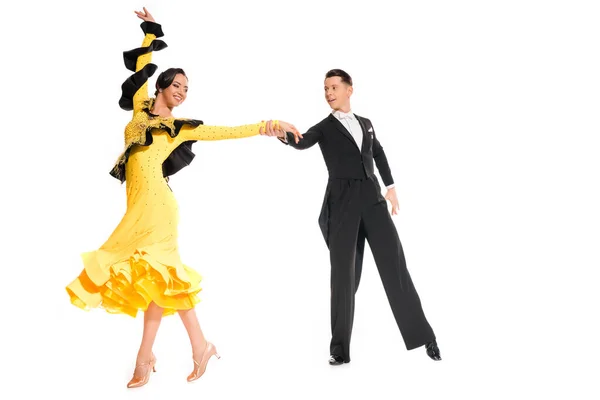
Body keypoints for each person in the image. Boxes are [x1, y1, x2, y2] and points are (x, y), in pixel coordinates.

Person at [65, 7, 301, 388]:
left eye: (187, 90)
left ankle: (149, 357)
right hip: (136, 208)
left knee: (161, 276)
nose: (182, 93)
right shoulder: (141, 110)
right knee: (160, 280)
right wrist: (149, 31)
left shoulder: (180, 129)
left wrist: (268, 126)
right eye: (177, 85)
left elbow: (227, 131)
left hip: (160, 209)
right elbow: (140, 66)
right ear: (162, 86)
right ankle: (192, 347)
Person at [268, 69, 441, 365]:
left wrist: (391, 188)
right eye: (325, 88)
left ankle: (425, 336)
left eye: (334, 87)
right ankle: (339, 350)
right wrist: (283, 134)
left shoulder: (366, 123)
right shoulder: (323, 127)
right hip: (342, 199)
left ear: (349, 89)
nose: (329, 92)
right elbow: (302, 141)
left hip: (372, 198)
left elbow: (379, 153)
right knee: (343, 276)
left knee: (395, 266)